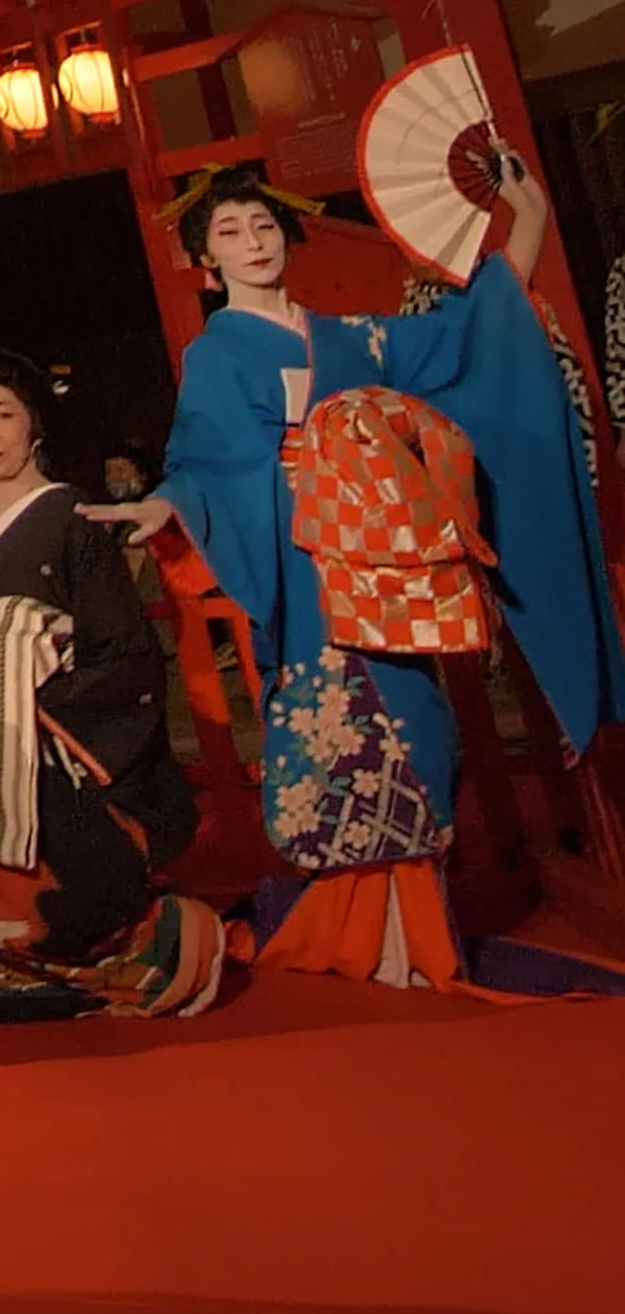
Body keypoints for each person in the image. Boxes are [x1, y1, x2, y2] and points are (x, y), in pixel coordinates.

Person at [92, 155, 625, 985]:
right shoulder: (215, 355)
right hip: (304, 566)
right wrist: (164, 506)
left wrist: (526, 223)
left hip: (380, 561)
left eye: (264, 224)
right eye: (230, 231)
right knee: (337, 730)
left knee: (419, 726)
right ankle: (366, 937)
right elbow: (200, 463)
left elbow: (467, 337)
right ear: (209, 260)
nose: (254, 240)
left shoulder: (354, 337)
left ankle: (417, 932)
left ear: (288, 236)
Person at [0, 353, 221, 1021]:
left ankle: (141, 947)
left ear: (34, 424)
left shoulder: (76, 517)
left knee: (62, 856)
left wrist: (40, 706)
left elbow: (123, 647)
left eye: (3, 415)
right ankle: (8, 968)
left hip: (57, 737)